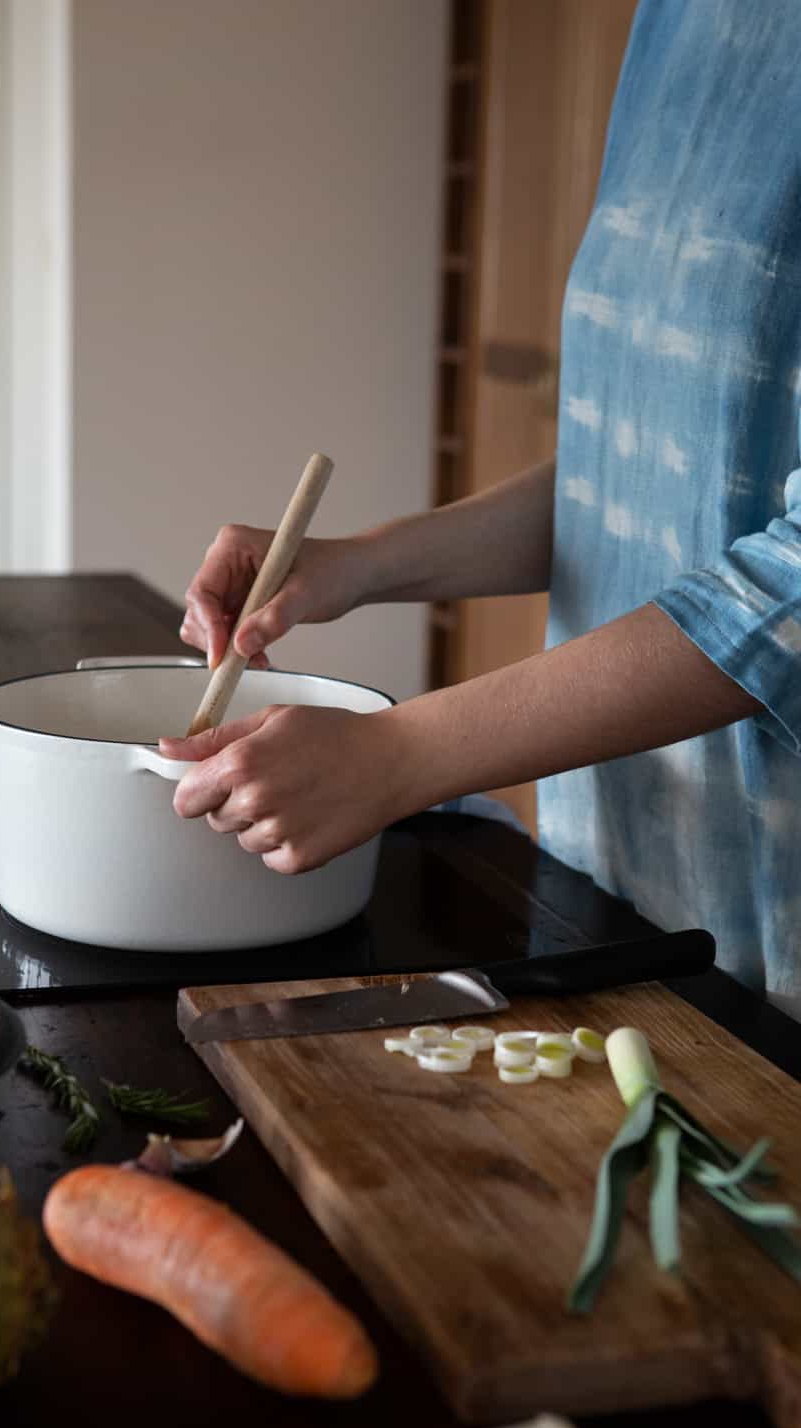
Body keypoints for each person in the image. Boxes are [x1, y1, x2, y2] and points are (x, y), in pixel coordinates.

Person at [161, 2, 801, 1021]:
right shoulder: (676, 25)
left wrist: (399, 754)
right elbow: (652, 467)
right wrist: (361, 562)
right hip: (626, 882)